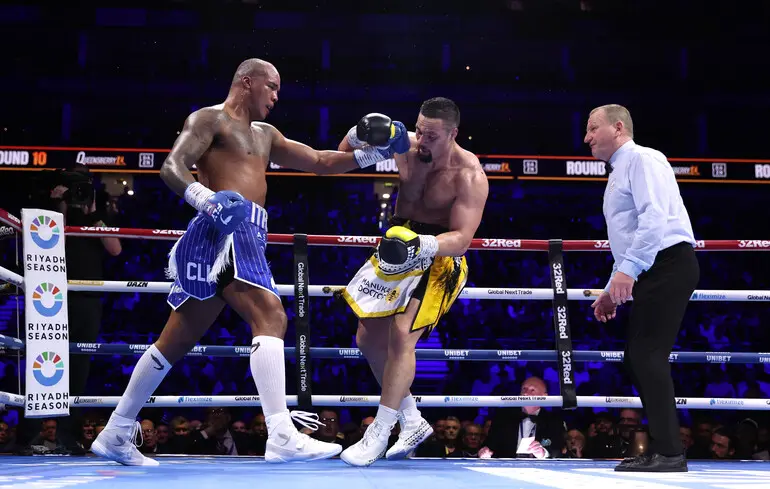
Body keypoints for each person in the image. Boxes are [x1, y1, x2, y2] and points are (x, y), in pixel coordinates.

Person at [90, 58, 410, 466]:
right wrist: (207, 200)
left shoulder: (266, 134)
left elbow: (322, 162)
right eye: (271, 86)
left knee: (174, 341)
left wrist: (376, 152)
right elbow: (171, 166)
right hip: (225, 228)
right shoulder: (209, 120)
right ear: (247, 82)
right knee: (271, 315)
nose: (276, 96)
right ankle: (281, 433)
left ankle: (116, 430)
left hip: (246, 232)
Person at [336, 97, 489, 466]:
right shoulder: (402, 144)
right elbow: (341, 157)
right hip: (396, 244)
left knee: (402, 334)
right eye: (419, 130)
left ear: (453, 133)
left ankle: (380, 431)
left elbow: (462, 239)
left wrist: (420, 245)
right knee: (366, 338)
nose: (422, 140)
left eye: (431, 135)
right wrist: (358, 134)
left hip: (439, 254)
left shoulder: (469, 174)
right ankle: (411, 419)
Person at [584, 104, 699, 472]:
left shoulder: (643, 159)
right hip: (653, 267)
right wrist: (611, 288)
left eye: (593, 128)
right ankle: (663, 449)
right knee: (637, 358)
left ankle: (670, 453)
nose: (586, 137)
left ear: (618, 128)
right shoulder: (619, 171)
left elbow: (654, 218)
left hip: (667, 263)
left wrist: (629, 271)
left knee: (647, 356)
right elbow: (628, 237)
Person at [478, 376, 565, 459]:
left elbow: (558, 449)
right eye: (524, 389)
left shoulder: (553, 420)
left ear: (544, 396)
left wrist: (543, 453)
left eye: (532, 390)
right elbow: (489, 445)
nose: (525, 393)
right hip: (508, 466)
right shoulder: (503, 417)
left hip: (540, 467)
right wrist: (484, 451)